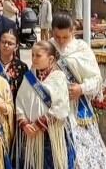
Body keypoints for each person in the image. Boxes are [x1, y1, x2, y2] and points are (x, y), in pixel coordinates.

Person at [50, 13, 106, 169]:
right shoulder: (48, 47)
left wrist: (81, 88)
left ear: (72, 31)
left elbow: (97, 79)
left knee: (84, 156)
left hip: (77, 110)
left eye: (65, 37)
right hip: (53, 110)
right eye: (57, 37)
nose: (61, 41)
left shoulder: (82, 48)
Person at [14, 40, 70, 169]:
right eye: (32, 55)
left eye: (38, 56)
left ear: (51, 59)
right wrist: (25, 124)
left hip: (50, 136)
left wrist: (38, 124)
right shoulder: (29, 77)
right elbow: (19, 102)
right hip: (30, 135)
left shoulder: (58, 78)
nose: (33, 58)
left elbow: (60, 107)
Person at [0, 29, 29, 102]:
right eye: (3, 42)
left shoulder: (23, 67)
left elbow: (26, 92)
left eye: (10, 43)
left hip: (15, 106)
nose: (6, 45)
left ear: (16, 46)